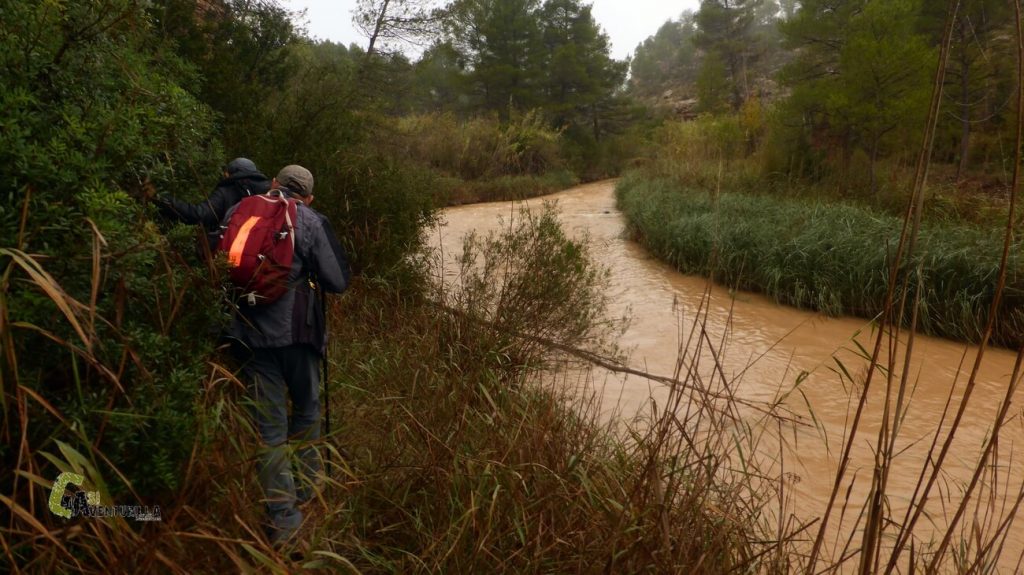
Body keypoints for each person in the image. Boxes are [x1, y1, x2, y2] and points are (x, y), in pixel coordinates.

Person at [222, 165, 350, 546]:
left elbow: (220, 261)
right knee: (308, 408)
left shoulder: (240, 210)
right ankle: (308, 489)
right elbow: (338, 281)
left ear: (275, 184)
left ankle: (283, 522)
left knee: (270, 431)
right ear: (307, 196)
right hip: (298, 334)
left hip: (249, 333)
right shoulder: (310, 219)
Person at [155, 157, 272, 249]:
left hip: (231, 255)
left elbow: (199, 215)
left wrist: (161, 200)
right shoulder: (271, 192)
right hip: (265, 258)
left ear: (230, 173)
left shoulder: (227, 191)